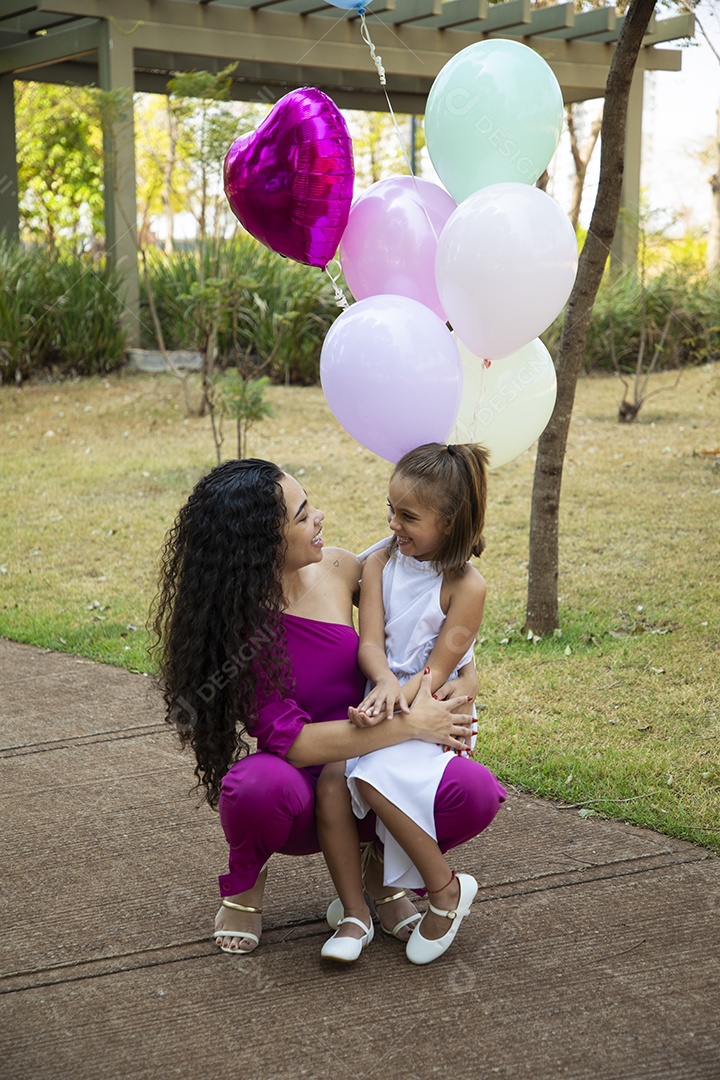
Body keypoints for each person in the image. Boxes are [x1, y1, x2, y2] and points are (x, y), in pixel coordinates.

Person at [151, 458, 505, 962]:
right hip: (301, 789)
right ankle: (246, 884)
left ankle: (378, 874)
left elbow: (420, 620)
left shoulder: (342, 567)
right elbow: (296, 745)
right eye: (302, 515)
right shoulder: (238, 630)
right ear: (261, 541)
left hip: (377, 762)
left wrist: (464, 673)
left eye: (310, 504)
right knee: (253, 787)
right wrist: (411, 725)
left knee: (474, 791)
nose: (320, 516)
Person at [316, 442, 503, 965]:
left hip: (431, 705)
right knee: (333, 778)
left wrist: (400, 697)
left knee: (374, 776)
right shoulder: (380, 564)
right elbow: (370, 642)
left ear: (450, 521)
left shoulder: (466, 585)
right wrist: (381, 685)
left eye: (409, 516)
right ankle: (356, 909)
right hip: (383, 692)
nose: (393, 524)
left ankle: (444, 888)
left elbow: (440, 668)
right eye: (391, 510)